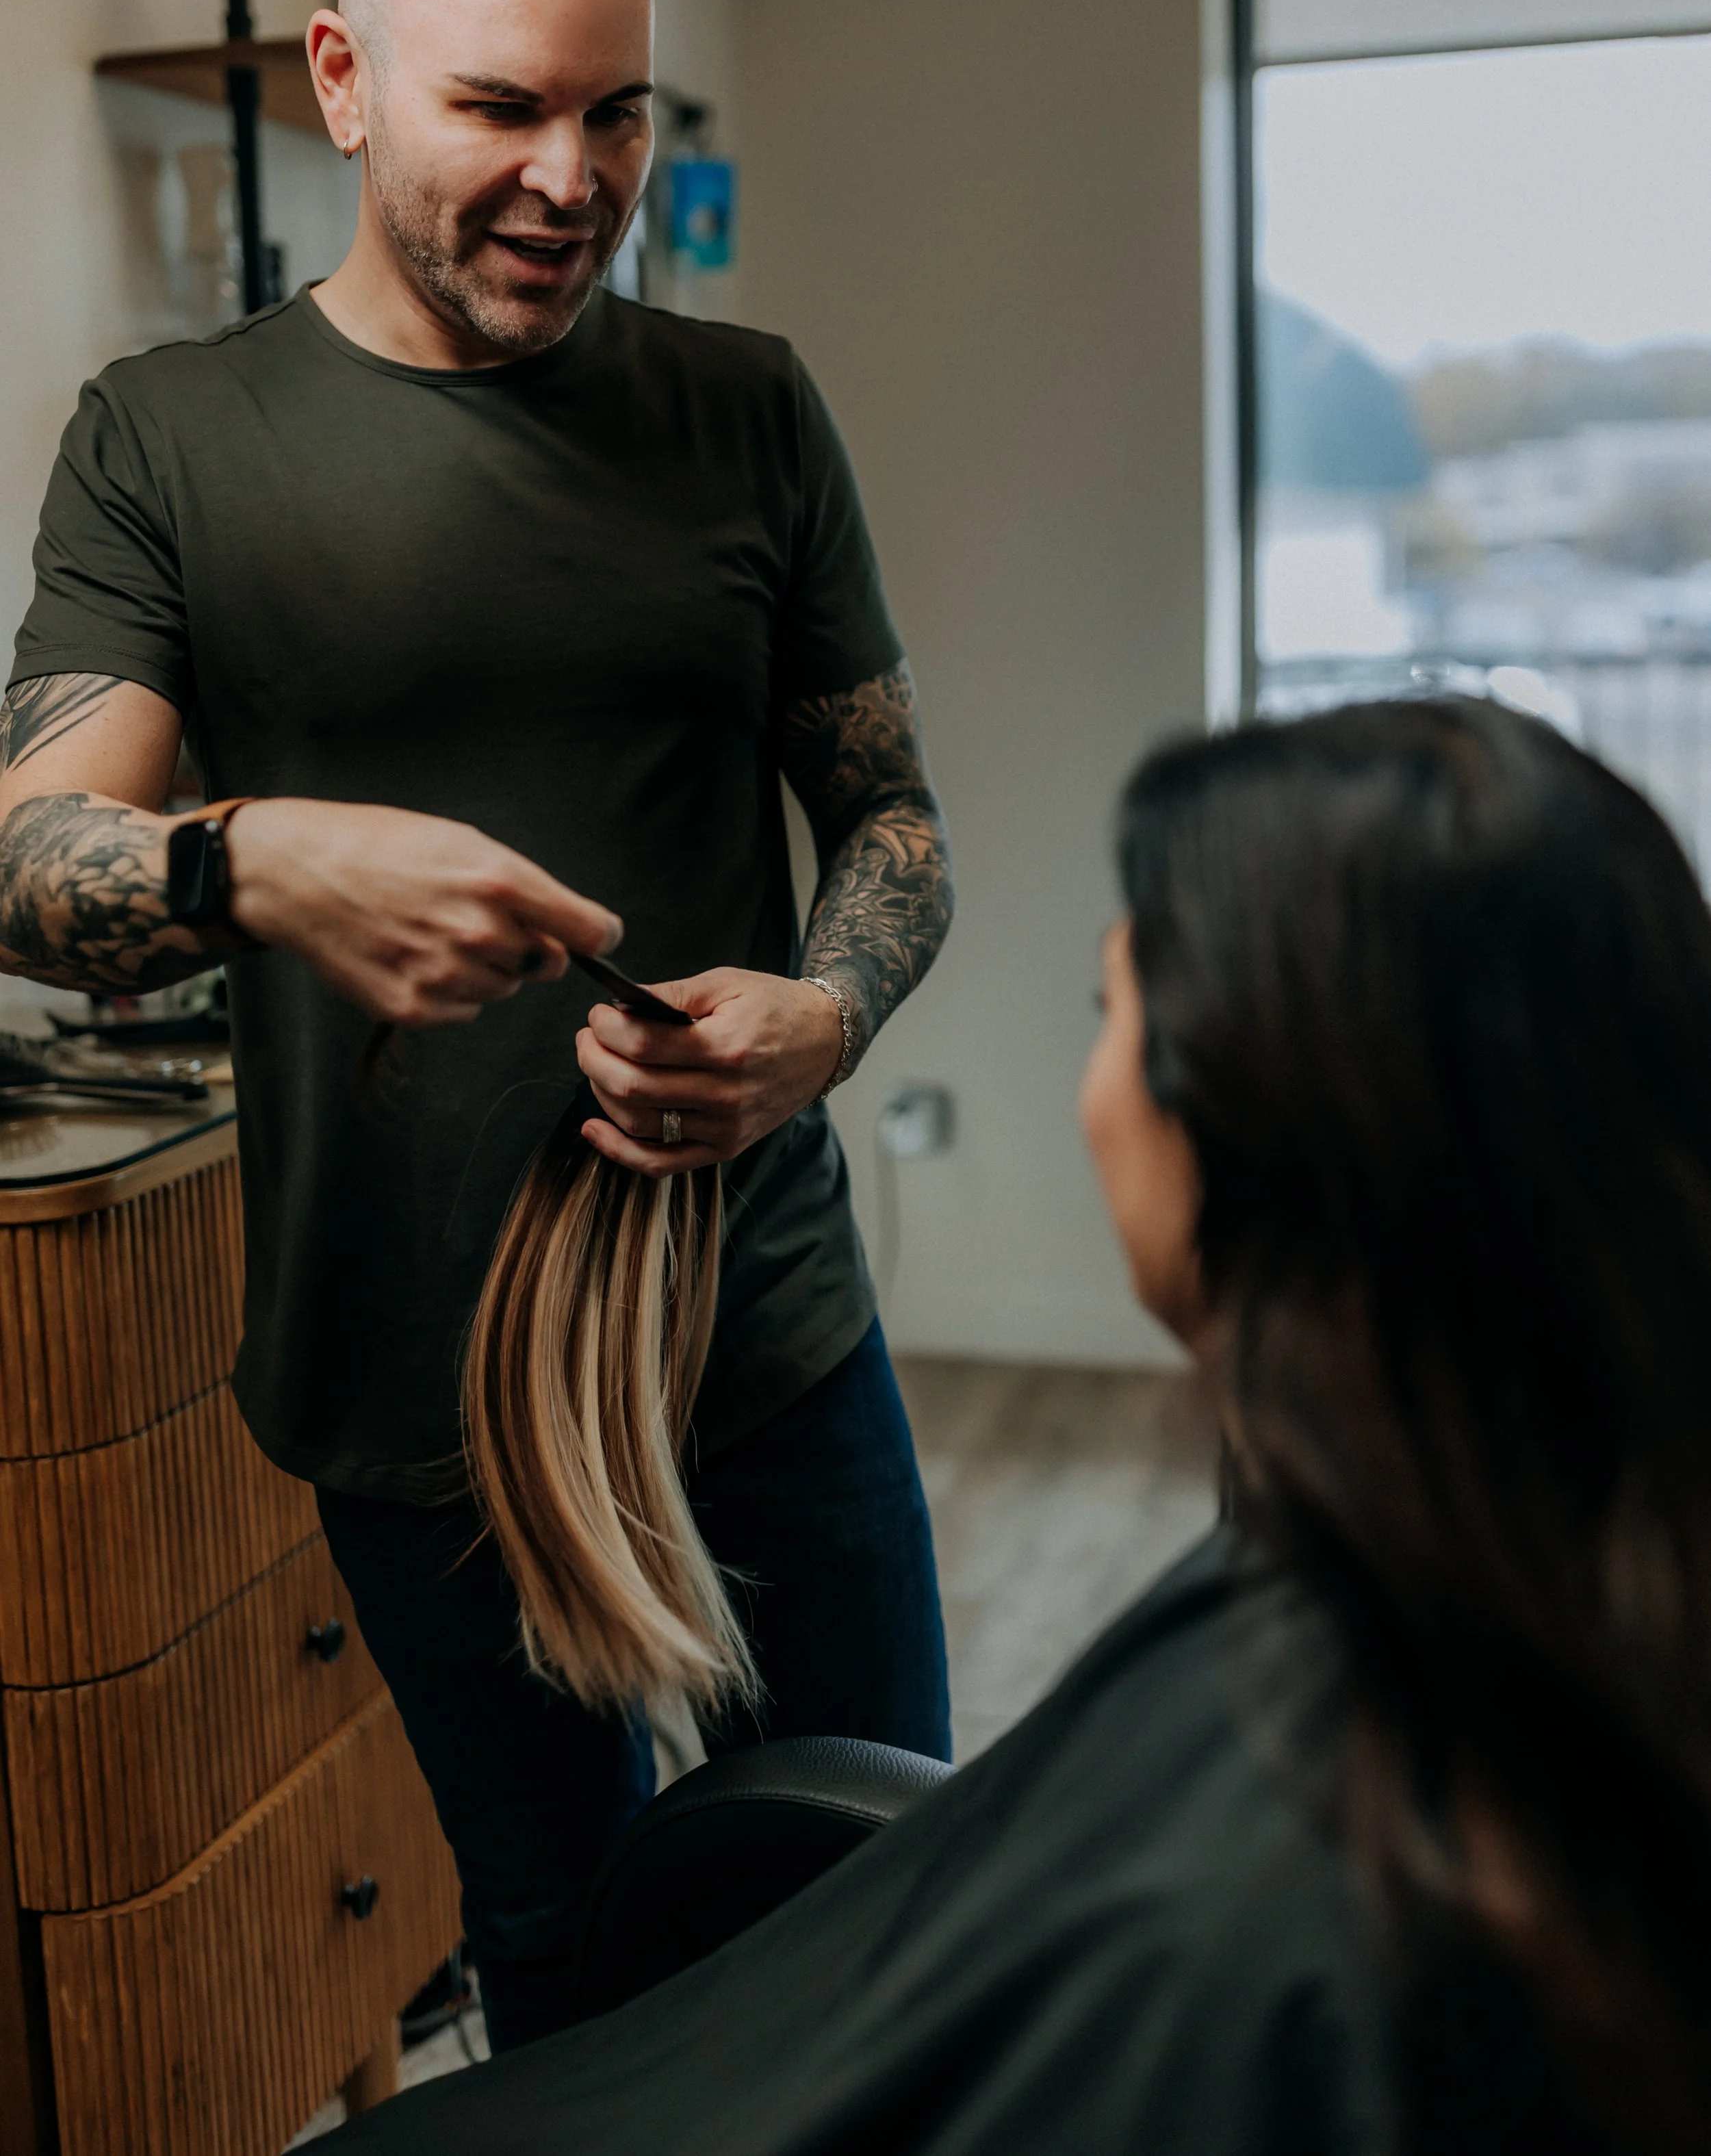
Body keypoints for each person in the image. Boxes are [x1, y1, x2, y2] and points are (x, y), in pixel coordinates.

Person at [0, 0, 954, 2052]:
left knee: (885, 1931)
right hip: (413, 1408)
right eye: (500, 107)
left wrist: (824, 1014)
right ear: (342, 77)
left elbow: (888, 811)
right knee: (580, 1975)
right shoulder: (167, 444)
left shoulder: (748, 411)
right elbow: (33, 862)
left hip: (764, 1345)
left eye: (614, 109)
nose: (574, 175)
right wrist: (260, 862)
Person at [339, 697, 1711, 2155]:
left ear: (1252, 1127)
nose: (1093, 1090)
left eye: (1113, 1017)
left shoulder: (1289, 1874)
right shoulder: (1562, 1570)